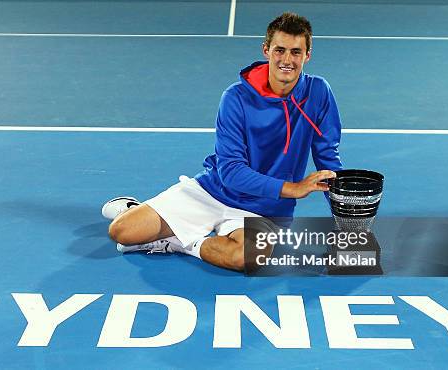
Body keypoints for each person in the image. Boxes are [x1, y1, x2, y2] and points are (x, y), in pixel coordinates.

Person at [102, 12, 342, 271]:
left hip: (264, 209)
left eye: (296, 52)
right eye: (279, 50)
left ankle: (179, 243)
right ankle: (135, 210)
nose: (287, 60)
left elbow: (328, 161)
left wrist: (347, 228)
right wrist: (293, 188)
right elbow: (231, 172)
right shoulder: (236, 97)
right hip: (213, 191)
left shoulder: (319, 92)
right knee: (122, 231)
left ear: (307, 55)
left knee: (248, 258)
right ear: (266, 50)